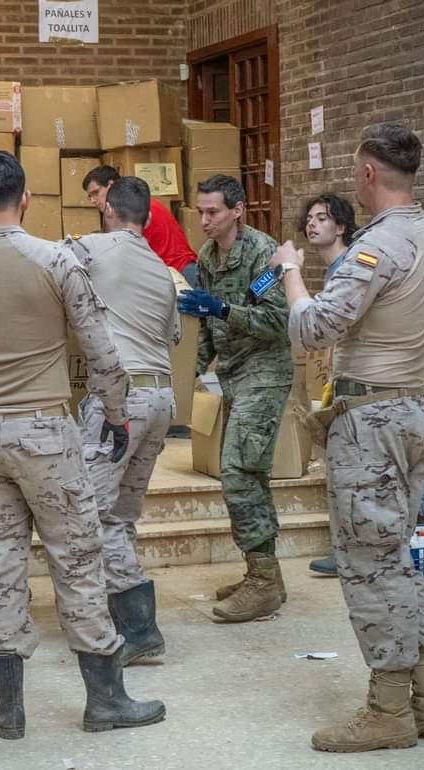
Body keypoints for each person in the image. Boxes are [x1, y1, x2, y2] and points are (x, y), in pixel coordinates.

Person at [0, 151, 165, 738]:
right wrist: (116, 415)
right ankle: (105, 700)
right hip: (47, 434)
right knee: (77, 560)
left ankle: (9, 708)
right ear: (25, 199)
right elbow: (101, 351)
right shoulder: (56, 260)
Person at [270, 122, 424, 752]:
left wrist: (290, 275)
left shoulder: (378, 245)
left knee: (367, 565)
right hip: (411, 408)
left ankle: (388, 710)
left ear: (366, 173)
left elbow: (316, 329)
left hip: (371, 422)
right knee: (393, 556)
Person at [67, 177, 179, 666]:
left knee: (92, 514)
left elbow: (41, 271)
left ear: (108, 209)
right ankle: (132, 623)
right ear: (148, 218)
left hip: (121, 400)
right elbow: (173, 335)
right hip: (161, 399)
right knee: (121, 515)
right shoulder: (162, 268)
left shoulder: (92, 247)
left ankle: (134, 628)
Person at [177, 174, 292, 623]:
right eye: (201, 212)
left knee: (239, 471)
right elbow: (207, 330)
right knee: (249, 472)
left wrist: (222, 308)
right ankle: (266, 576)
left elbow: (276, 323)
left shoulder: (264, 254)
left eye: (213, 212)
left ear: (237, 210)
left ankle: (262, 582)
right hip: (232, 373)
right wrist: (184, 375)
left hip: (265, 370)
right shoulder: (207, 256)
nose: (204, 220)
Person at [297, 193, 357, 579]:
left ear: (341, 226)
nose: (312, 223)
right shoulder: (333, 268)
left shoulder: (348, 267)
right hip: (341, 380)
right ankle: (343, 548)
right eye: (310, 218)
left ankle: (348, 552)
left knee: (347, 471)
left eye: (322, 218)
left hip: (359, 386)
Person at [82, 165, 198, 288]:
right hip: (168, 273)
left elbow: (125, 253)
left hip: (180, 273)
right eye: (90, 196)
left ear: (111, 185)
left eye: (96, 193)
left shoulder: (133, 208)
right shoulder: (135, 204)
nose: (93, 200)